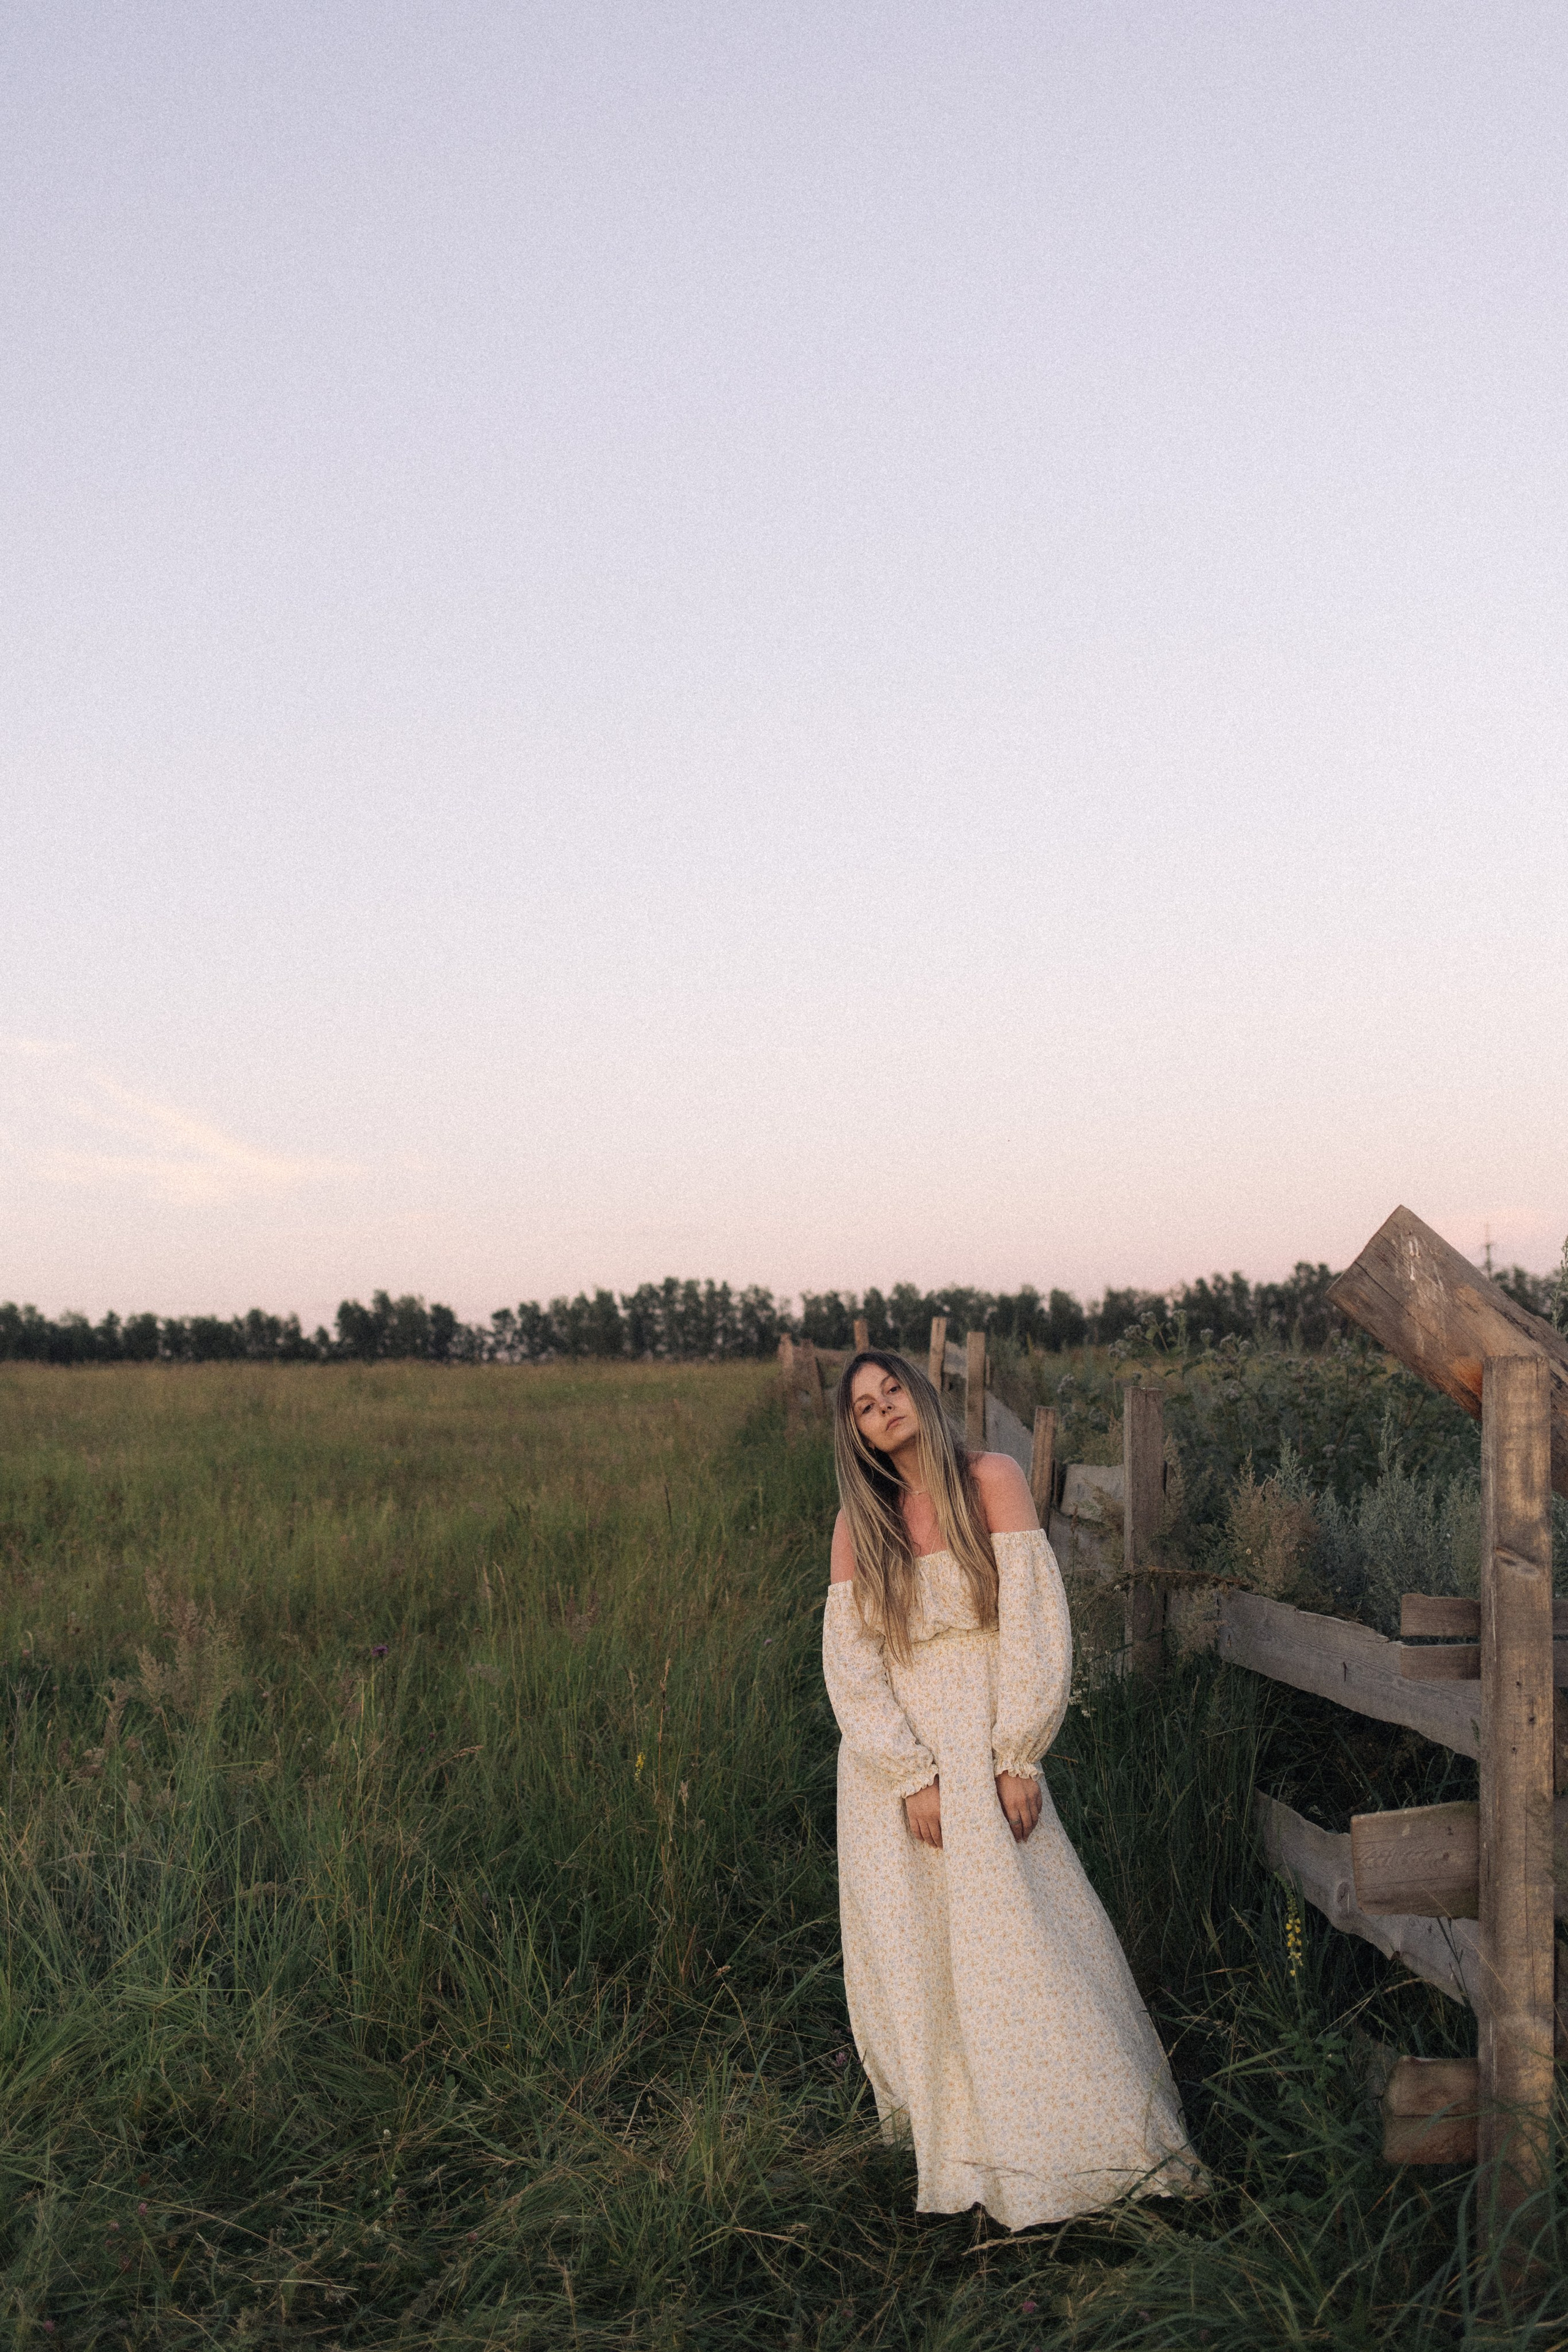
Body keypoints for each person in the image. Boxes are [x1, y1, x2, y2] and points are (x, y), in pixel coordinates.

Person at [821, 1347, 1199, 2230]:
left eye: (891, 1391)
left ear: (921, 1391)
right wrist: (908, 1774)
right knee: (920, 1945)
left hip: (984, 1738)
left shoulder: (988, 1479)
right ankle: (957, 2135)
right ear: (855, 1435)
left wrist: (1018, 1752)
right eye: (864, 1408)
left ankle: (1078, 2142)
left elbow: (1034, 1621)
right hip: (893, 1765)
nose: (883, 1410)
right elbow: (852, 1666)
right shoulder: (859, 1520)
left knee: (1020, 1931)